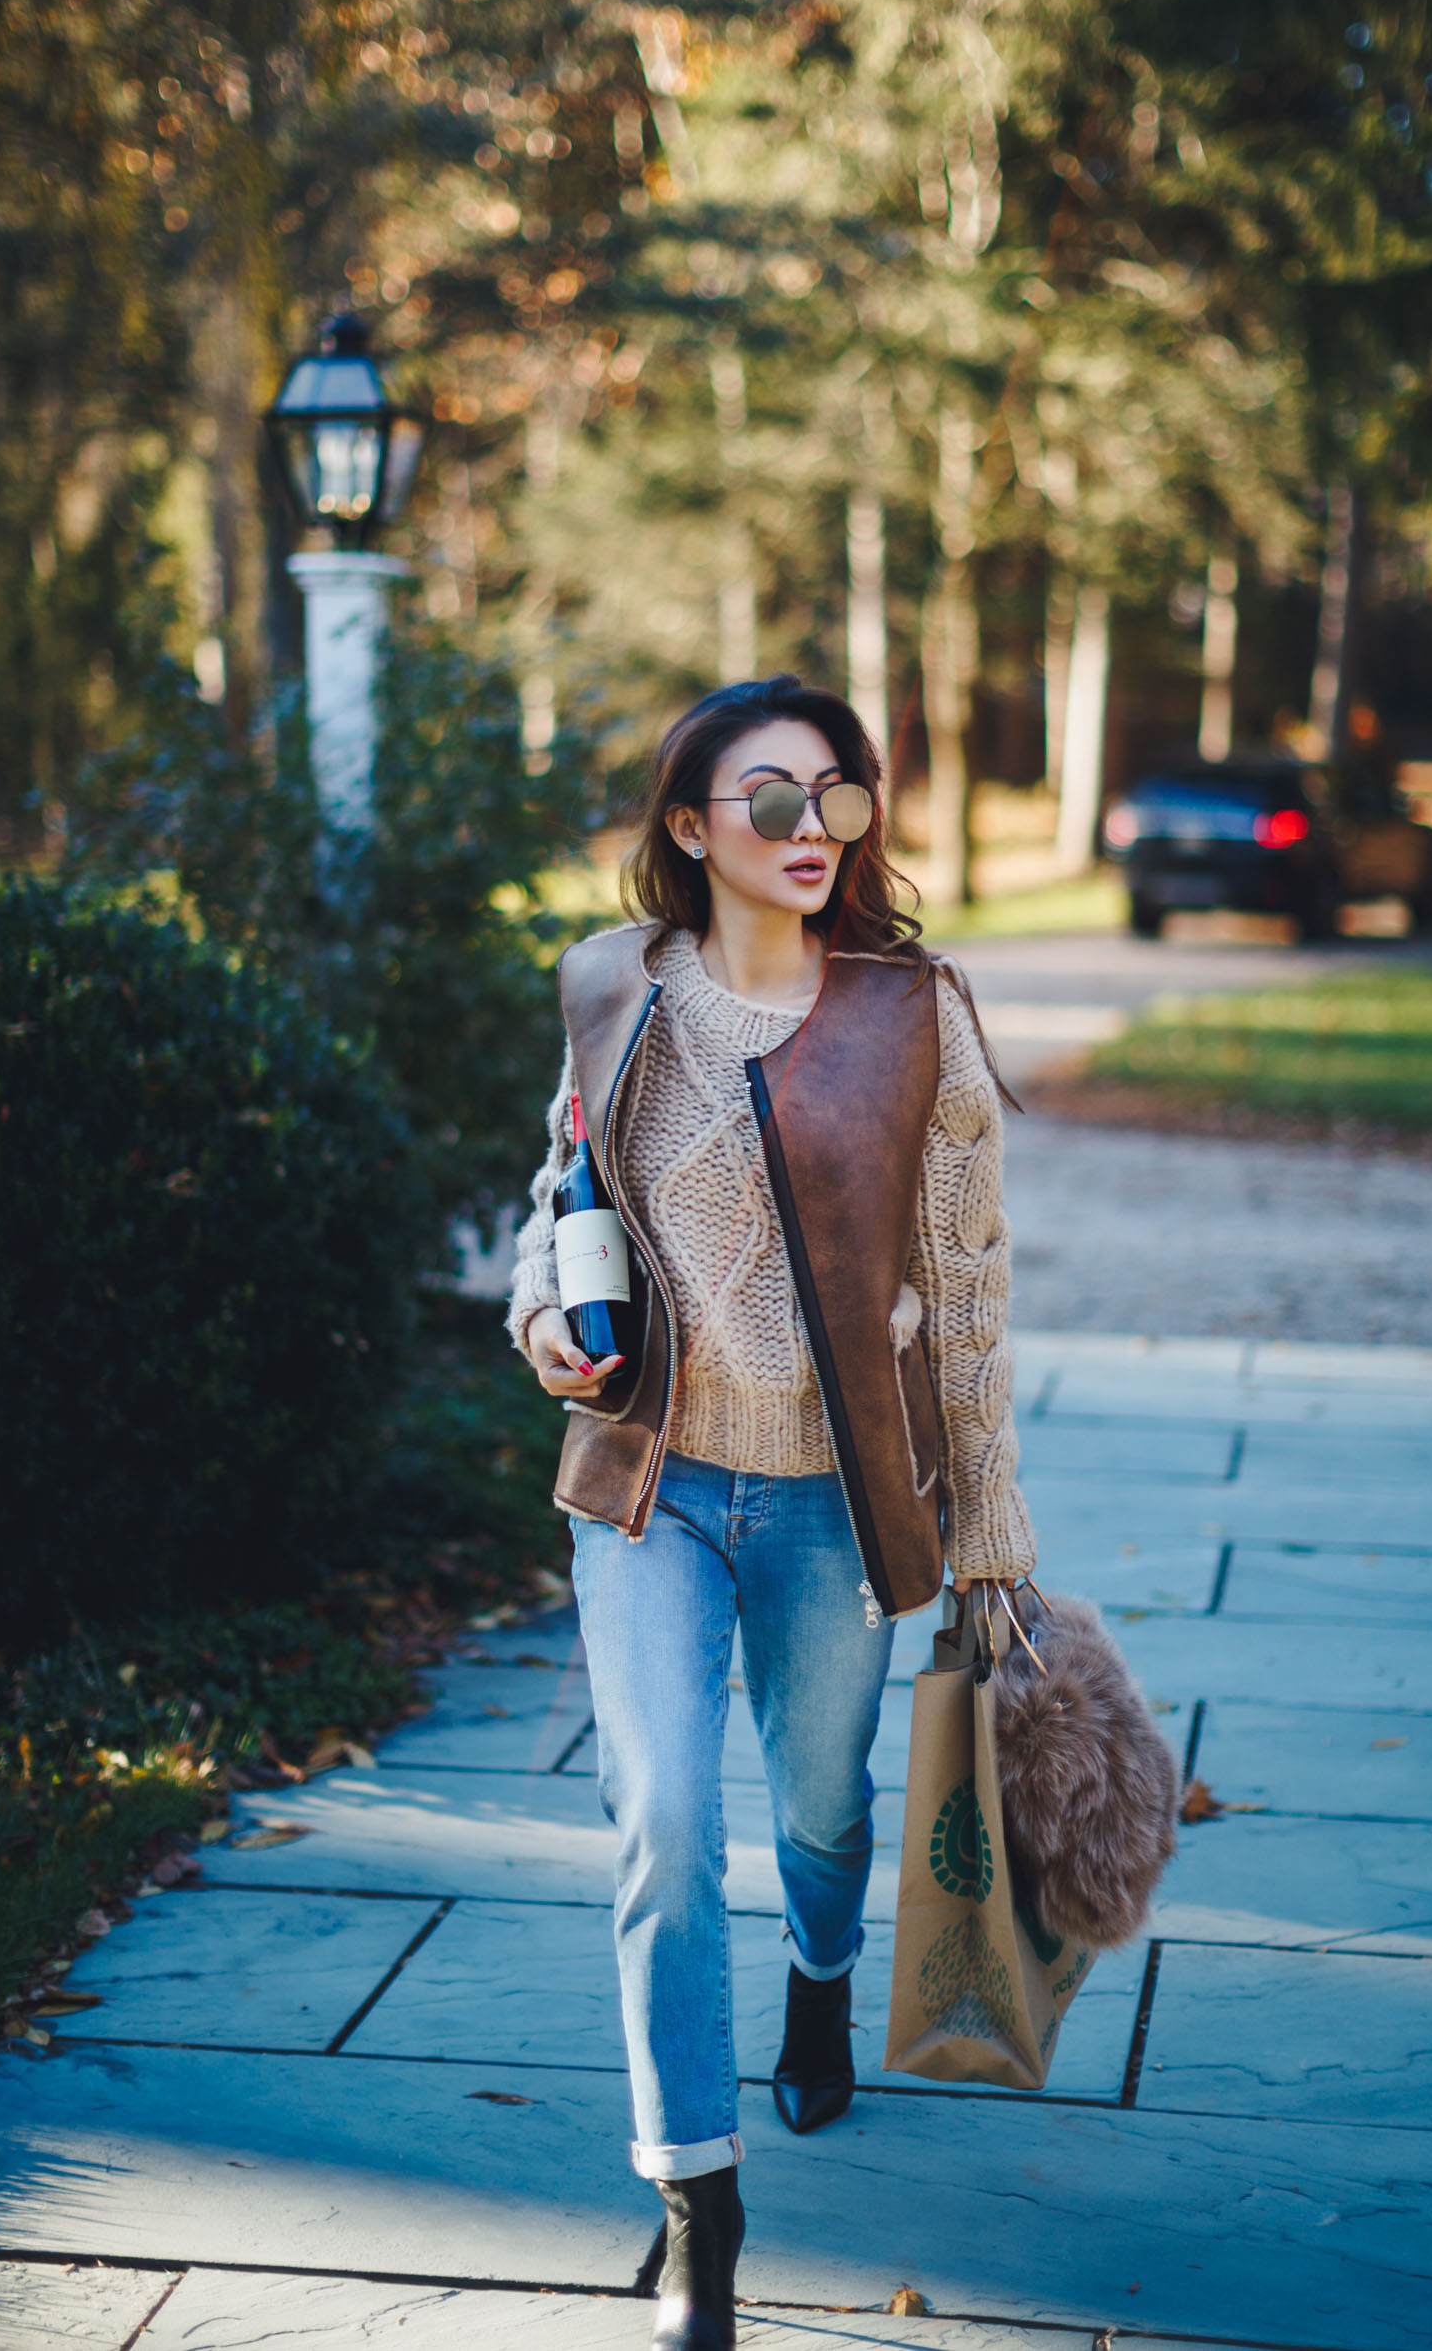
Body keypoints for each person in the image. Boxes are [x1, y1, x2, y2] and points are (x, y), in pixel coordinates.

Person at [508, 674, 1036, 2351]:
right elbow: (561, 1197)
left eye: (840, 796)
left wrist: (995, 1533)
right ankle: (698, 2222)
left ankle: (821, 1984)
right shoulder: (612, 990)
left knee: (823, 1812)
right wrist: (540, 1309)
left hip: (831, 1501)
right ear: (688, 827)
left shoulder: (912, 1012)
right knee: (665, 1826)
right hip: (649, 1483)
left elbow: (967, 1288)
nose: (817, 832)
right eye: (773, 800)